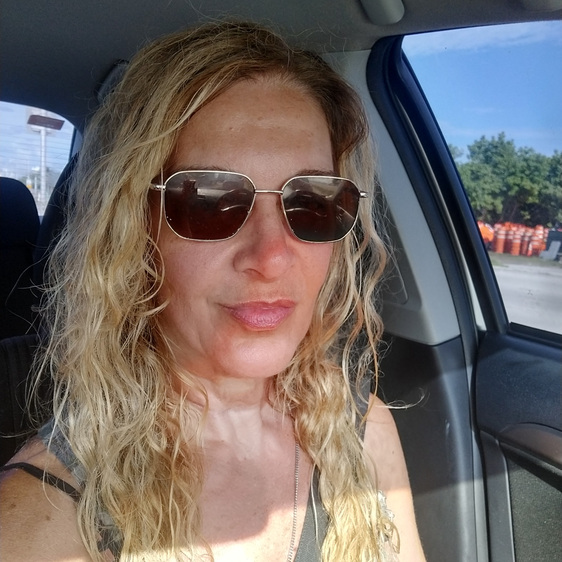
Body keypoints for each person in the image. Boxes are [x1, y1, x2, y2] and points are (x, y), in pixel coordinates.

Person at [0, 21, 426, 562]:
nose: (271, 258)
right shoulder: (42, 517)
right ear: (133, 232)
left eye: (313, 202)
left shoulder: (361, 430)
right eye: (208, 200)